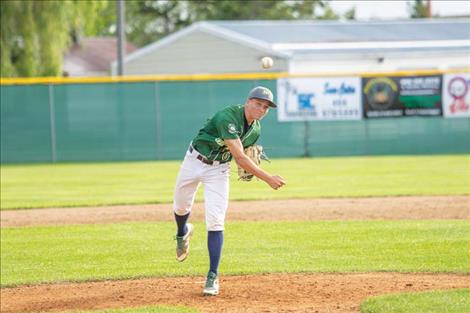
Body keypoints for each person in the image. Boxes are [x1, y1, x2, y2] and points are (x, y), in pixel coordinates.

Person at [172, 86, 286, 296]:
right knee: (181, 207)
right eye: (259, 104)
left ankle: (212, 276)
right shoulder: (228, 116)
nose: (262, 109)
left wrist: (248, 161)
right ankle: (182, 232)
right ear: (248, 101)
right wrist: (268, 178)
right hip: (194, 161)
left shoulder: (256, 129)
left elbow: (241, 157)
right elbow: (241, 157)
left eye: (266, 107)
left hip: (219, 170)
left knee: (215, 220)